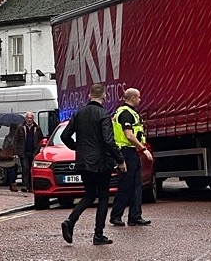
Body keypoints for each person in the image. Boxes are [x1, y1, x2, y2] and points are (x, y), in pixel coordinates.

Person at [60, 83, 127, 246]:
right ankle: (98, 235)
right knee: (103, 196)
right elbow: (108, 140)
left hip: (83, 162)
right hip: (101, 162)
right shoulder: (103, 114)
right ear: (104, 96)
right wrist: (120, 160)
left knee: (89, 195)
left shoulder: (79, 113)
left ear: (89, 95)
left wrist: (78, 148)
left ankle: (70, 221)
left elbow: (65, 136)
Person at [110, 88, 153, 227]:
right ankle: (116, 216)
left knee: (135, 185)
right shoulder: (126, 114)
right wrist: (143, 149)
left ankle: (135, 216)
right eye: (138, 97)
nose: (140, 100)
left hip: (130, 152)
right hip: (126, 152)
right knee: (126, 185)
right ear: (133, 98)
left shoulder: (127, 112)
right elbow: (129, 135)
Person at [13, 111, 43, 192]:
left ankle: (31, 186)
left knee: (32, 169)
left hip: (34, 152)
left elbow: (41, 139)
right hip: (24, 152)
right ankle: (25, 186)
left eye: (31, 118)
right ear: (25, 119)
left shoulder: (37, 128)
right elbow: (16, 140)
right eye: (28, 118)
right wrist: (16, 152)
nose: (29, 120)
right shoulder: (20, 127)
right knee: (25, 169)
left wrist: (39, 150)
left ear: (33, 119)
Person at [1, 124, 19, 192]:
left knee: (13, 170)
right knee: (12, 170)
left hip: (14, 156)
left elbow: (4, 146)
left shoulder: (14, 137)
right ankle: (12, 184)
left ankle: (12, 184)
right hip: (11, 156)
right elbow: (4, 147)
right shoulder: (8, 137)